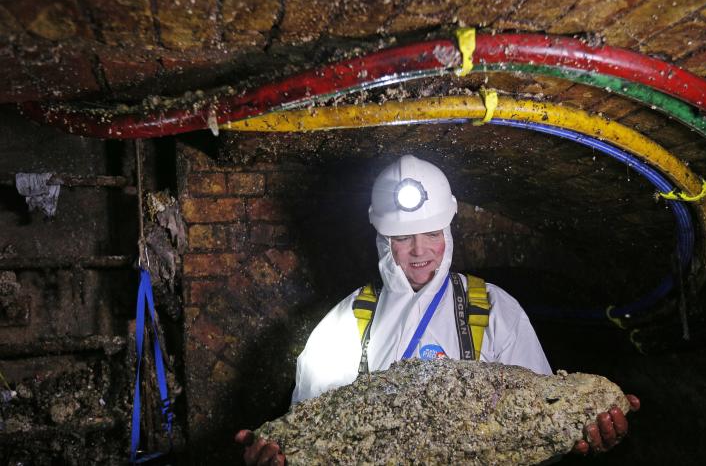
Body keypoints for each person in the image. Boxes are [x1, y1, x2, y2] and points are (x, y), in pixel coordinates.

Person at [236, 155, 640, 465]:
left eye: (432, 234)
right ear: (382, 240)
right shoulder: (345, 324)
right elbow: (308, 437)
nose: (420, 252)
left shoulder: (494, 309)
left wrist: (582, 434)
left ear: (447, 230)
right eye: (403, 237)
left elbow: (540, 428)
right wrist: (278, 455)